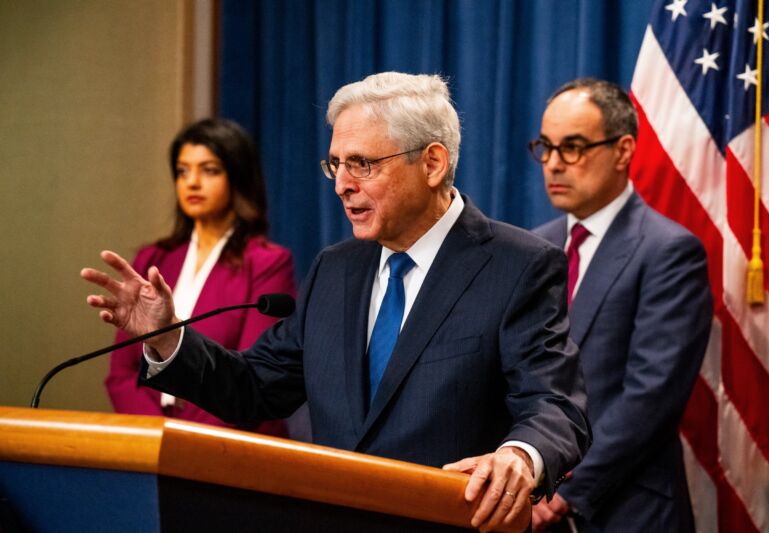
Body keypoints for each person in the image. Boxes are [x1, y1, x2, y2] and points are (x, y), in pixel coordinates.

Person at [82, 72, 590, 532]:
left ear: (432, 163)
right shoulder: (336, 268)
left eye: (363, 164)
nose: (343, 185)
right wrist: (169, 337)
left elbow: (555, 403)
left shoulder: (518, 264)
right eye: (337, 164)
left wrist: (520, 458)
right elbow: (255, 388)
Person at [530, 78, 713, 531]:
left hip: (625, 510)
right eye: (546, 148)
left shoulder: (669, 251)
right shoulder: (535, 247)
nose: (554, 164)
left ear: (624, 150)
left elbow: (651, 397)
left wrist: (563, 494)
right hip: (530, 502)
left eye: (572, 148)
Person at [105, 118, 296, 437]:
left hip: (230, 445)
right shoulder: (152, 259)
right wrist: (160, 434)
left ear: (237, 176)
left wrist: (187, 443)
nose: (191, 182)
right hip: (151, 441)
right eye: (182, 171)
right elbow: (122, 375)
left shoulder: (267, 263)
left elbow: (253, 378)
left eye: (209, 170)